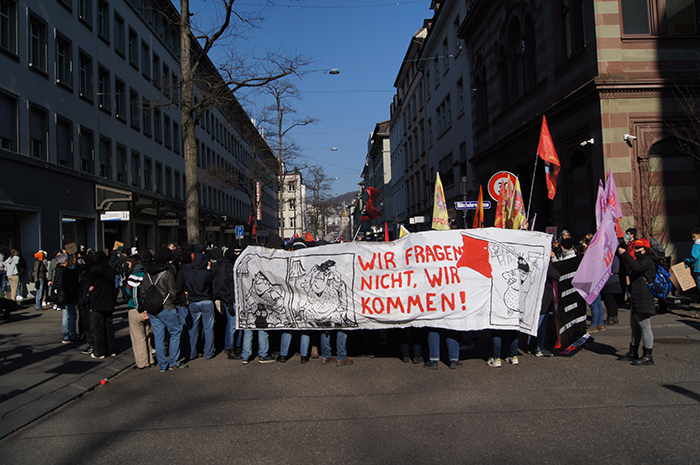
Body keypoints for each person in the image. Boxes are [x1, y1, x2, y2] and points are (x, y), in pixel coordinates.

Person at [141, 249, 186, 372]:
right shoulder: (167, 274)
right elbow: (173, 292)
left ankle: (162, 364)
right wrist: (172, 301)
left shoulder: (148, 274)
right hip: (167, 307)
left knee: (158, 336)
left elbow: (143, 292)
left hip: (152, 309)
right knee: (175, 333)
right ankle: (173, 361)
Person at [618, 238, 660, 366]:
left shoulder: (648, 261)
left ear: (645, 249)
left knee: (645, 327)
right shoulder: (642, 260)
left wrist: (625, 254)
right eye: (634, 248)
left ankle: (648, 355)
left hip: (644, 297)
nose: (635, 251)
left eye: (638, 248)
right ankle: (633, 351)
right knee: (635, 326)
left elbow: (637, 267)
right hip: (637, 296)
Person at [125, 255, 156, 370]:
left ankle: (142, 362)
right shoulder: (147, 275)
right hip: (148, 308)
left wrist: (140, 308)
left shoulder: (133, 276)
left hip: (136, 309)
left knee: (138, 337)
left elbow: (133, 294)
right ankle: (150, 359)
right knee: (146, 335)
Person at [185, 248, 216, 361]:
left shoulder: (187, 273)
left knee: (193, 328)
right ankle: (208, 352)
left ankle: (193, 352)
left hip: (193, 301)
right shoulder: (206, 273)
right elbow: (212, 284)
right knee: (208, 328)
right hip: (206, 300)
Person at [88, 251, 117, 359]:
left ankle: (99, 351)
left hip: (97, 301)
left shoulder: (95, 270)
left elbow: (90, 285)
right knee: (108, 326)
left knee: (97, 327)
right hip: (109, 300)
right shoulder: (110, 269)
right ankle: (111, 349)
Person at [52, 253, 80, 343]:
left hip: (62, 296)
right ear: (65, 261)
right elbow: (65, 285)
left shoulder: (59, 270)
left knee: (66, 315)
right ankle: (72, 334)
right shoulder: (64, 271)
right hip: (67, 296)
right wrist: (72, 293)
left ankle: (66, 335)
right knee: (71, 315)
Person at [684, 227, 700, 307]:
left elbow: (695, 256)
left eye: (694, 237)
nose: (693, 239)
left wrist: (687, 261)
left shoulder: (697, 245)